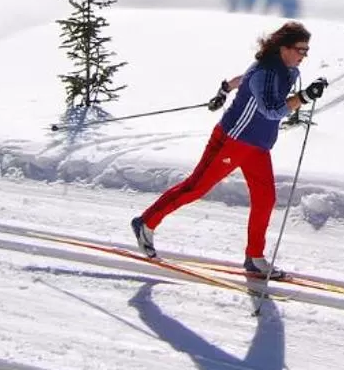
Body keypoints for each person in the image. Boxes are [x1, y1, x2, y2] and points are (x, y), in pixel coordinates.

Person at [131, 20, 327, 279]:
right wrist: (303, 97)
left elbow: (242, 80)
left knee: (265, 198)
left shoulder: (285, 69)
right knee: (196, 187)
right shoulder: (265, 72)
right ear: (284, 47)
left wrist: (225, 89)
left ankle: (254, 258)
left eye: (306, 50)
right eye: (301, 50)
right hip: (233, 140)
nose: (304, 56)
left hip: (257, 145)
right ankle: (146, 222)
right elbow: (271, 110)